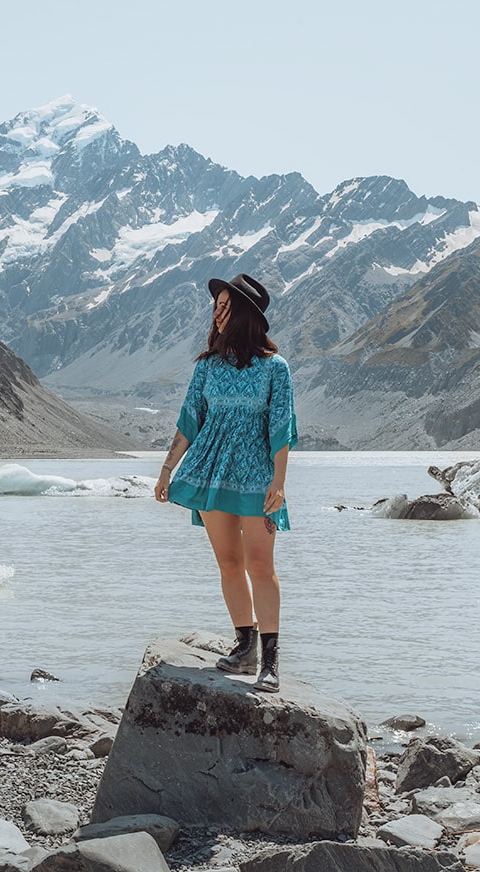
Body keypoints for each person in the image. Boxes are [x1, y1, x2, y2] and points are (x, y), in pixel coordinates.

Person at [154, 273, 297, 693]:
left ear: (245, 316)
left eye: (224, 306)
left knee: (261, 566)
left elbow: (281, 427)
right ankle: (244, 647)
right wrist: (166, 471)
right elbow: (189, 422)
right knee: (230, 564)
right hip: (211, 473)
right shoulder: (207, 368)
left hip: (257, 477)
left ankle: (270, 663)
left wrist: (280, 481)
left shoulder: (275, 368)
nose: (216, 313)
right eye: (215, 306)